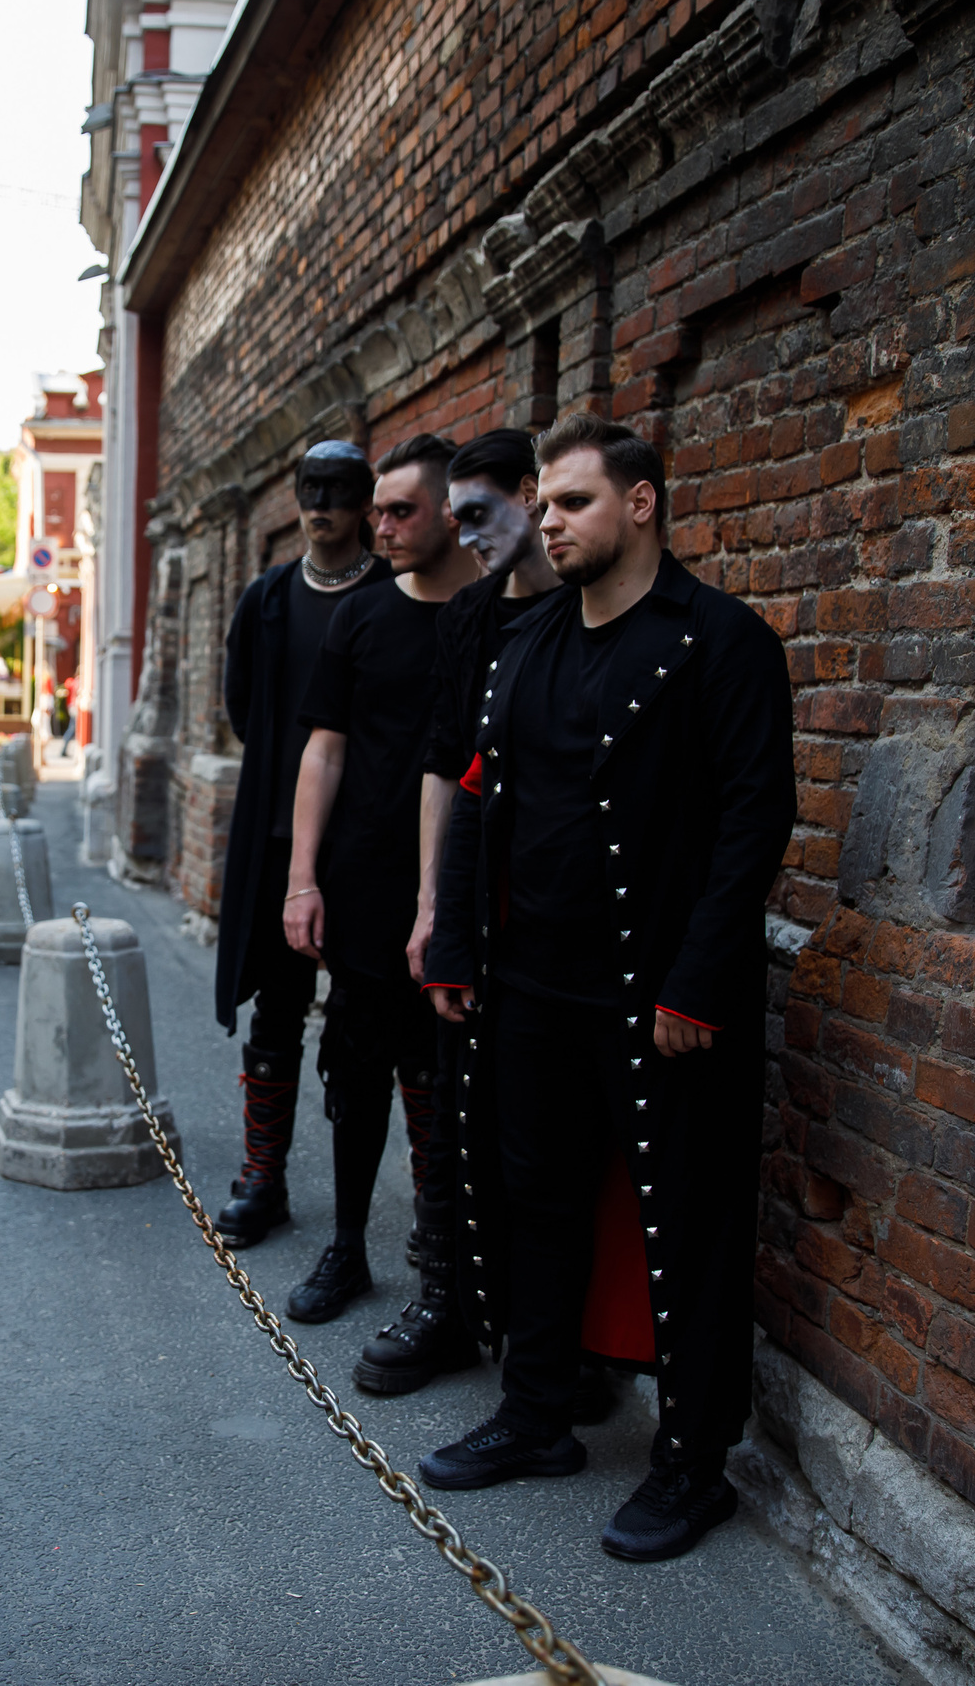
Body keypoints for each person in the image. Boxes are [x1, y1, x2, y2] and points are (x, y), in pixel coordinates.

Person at [417, 416, 793, 1568]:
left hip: (659, 999)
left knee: (689, 1220)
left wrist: (699, 982)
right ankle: (537, 1417)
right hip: (530, 985)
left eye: (573, 501)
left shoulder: (718, 641)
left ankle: (693, 1465)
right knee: (533, 1203)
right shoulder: (526, 642)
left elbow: (752, 821)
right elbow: (480, 792)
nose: (550, 520)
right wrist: (453, 944)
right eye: (545, 500)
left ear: (640, 503)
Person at [354, 427, 566, 1396]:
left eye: (479, 515)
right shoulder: (471, 617)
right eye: (459, 517)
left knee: (551, 1142)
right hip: (474, 902)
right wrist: (434, 908)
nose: (466, 535)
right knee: (450, 1103)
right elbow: (445, 767)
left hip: (565, 909)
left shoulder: (588, 611)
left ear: (531, 495)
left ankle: (553, 1339)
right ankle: (445, 1299)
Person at [278, 434, 480, 1332]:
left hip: (467, 886)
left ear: (448, 512)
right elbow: (322, 748)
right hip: (362, 882)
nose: (379, 524)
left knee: (447, 1079)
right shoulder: (359, 616)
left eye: (401, 510)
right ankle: (348, 1245)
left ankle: (447, 1263)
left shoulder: (491, 615)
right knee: (354, 1077)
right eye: (378, 509)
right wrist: (301, 879)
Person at [208, 441, 392, 1248]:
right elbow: (243, 706)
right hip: (279, 843)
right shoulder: (270, 597)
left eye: (340, 490)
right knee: (277, 1010)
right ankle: (263, 1177)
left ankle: (389, 1222)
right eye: (310, 488)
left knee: (375, 1026)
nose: (322, 503)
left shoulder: (394, 593)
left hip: (372, 848)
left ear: (364, 502)